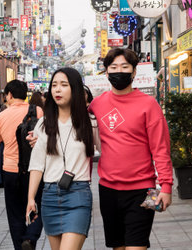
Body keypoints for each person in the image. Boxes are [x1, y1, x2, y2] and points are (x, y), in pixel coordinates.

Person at [88, 48, 173, 250]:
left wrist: (166, 187)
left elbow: (161, 149)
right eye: (114, 67)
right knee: (118, 247)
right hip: (108, 190)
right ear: (106, 73)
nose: (119, 71)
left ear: (134, 72)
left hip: (142, 190)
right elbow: (72, 124)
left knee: (136, 246)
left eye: (125, 67)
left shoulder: (149, 105)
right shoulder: (97, 104)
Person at [27, 67, 99, 250]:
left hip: (78, 194)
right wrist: (30, 198)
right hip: (50, 196)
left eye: (64, 85)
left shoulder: (90, 122)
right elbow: (37, 164)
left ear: (75, 89)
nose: (57, 90)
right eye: (54, 85)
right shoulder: (44, 124)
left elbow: (109, 150)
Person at [0, 80, 43, 250]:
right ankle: (31, 236)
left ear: (9, 95)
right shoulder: (38, 111)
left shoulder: (0, 117)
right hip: (34, 169)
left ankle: (20, 246)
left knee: (15, 213)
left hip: (10, 170)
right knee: (38, 205)